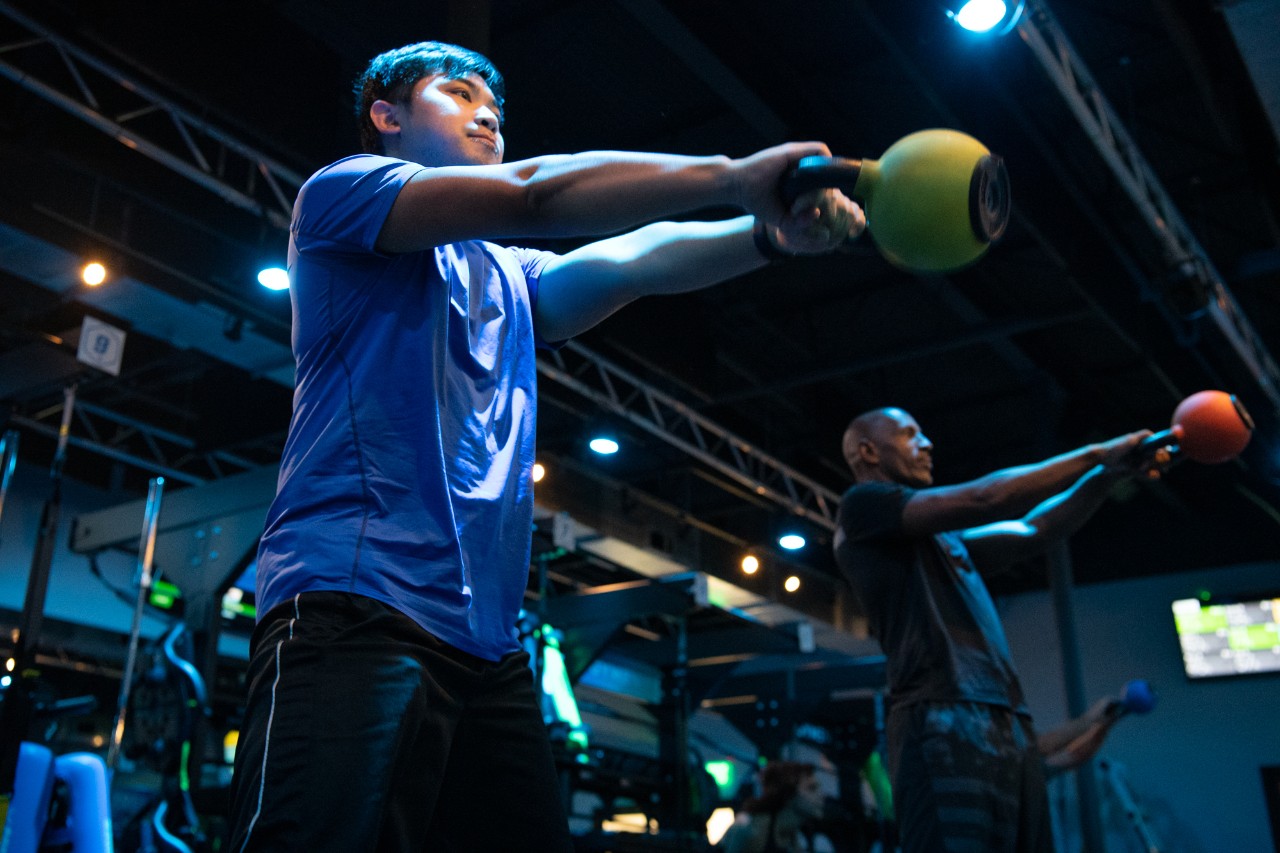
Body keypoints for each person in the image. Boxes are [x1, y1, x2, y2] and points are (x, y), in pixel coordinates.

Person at [224, 40, 865, 852]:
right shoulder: (341, 195)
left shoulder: (509, 276)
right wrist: (735, 176)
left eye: (495, 103)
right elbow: (533, 195)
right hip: (354, 608)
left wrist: (768, 236)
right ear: (386, 118)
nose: (488, 111)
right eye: (456, 93)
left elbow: (633, 260)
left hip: (485, 648)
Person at [832, 406, 1156, 853]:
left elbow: (1033, 530)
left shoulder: (944, 539)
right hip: (940, 717)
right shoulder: (862, 507)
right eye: (911, 435)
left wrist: (1107, 477)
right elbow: (988, 498)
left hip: (1007, 722)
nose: (928, 445)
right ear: (868, 451)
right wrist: (1098, 455)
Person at [719, 761, 833, 853]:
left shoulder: (798, 836)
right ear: (788, 793)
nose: (821, 795)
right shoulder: (748, 827)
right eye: (811, 788)